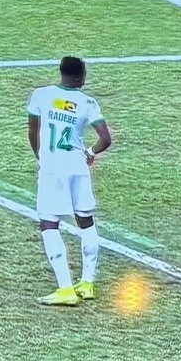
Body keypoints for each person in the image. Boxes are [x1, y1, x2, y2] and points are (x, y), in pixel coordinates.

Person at [27, 56, 114, 306]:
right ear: (82, 77)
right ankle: (87, 283)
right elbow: (105, 139)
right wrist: (90, 152)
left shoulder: (41, 95)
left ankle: (65, 288)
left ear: (61, 72)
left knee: (49, 223)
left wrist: (41, 157)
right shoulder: (88, 102)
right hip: (78, 167)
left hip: (53, 169)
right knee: (86, 221)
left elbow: (33, 131)